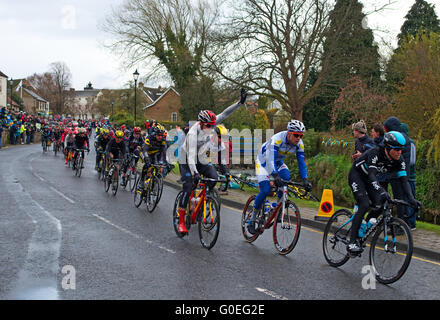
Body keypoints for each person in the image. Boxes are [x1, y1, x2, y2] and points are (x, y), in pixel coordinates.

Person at [176, 88, 247, 234]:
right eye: (208, 126)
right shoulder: (192, 133)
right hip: (187, 159)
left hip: (201, 157)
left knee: (213, 178)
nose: (210, 128)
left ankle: (203, 200)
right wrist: (195, 173)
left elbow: (226, 113)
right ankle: (181, 221)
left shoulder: (211, 124)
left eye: (212, 126)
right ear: (201, 123)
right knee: (188, 186)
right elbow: (190, 157)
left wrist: (239, 103)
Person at [346, 131, 421, 255]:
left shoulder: (399, 160)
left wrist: (411, 199)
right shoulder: (375, 153)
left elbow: (404, 181)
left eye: (401, 149)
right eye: (396, 149)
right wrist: (381, 191)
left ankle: (364, 225)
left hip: (371, 180)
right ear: (387, 148)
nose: (399, 152)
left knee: (381, 203)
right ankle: (352, 242)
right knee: (364, 204)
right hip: (357, 175)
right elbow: (371, 175)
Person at [247, 120, 312, 235]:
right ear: (289, 133)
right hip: (263, 161)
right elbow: (269, 158)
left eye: (301, 135)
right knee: (266, 190)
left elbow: (301, 163)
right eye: (296, 135)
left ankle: (277, 208)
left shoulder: (299, 144)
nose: (298, 138)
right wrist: (275, 174)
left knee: (286, 178)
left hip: (277, 162)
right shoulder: (277, 139)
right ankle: (252, 220)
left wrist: (305, 179)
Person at [400, 122, 417, 230]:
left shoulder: (410, 143)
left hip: (410, 176)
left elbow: (412, 161)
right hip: (403, 175)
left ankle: (411, 223)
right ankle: (405, 222)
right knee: (404, 200)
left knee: (410, 199)